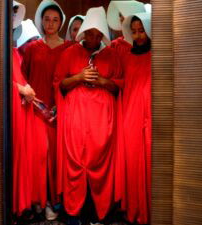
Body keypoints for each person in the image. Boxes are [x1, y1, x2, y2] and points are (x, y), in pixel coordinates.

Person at [54, 7, 123, 223]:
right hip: (76, 119)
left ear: (103, 34)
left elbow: (119, 87)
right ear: (83, 32)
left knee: (100, 162)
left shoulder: (112, 55)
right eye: (90, 33)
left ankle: (99, 212)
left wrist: (102, 81)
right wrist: (78, 77)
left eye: (98, 34)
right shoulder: (69, 54)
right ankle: (74, 213)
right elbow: (59, 84)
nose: (93, 38)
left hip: (102, 121)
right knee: (75, 162)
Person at [21, 0, 73, 220]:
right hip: (35, 110)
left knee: (56, 158)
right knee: (39, 156)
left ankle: (53, 201)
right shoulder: (32, 48)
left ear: (60, 23)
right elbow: (22, 77)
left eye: (55, 20)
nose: (50, 23)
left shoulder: (69, 48)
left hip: (61, 111)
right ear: (41, 21)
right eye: (47, 19)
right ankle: (38, 201)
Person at [120, 12, 152, 224]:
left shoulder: (158, 54)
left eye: (141, 31)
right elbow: (124, 83)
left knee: (150, 163)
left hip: (151, 114)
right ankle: (134, 211)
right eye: (134, 31)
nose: (138, 36)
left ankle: (151, 211)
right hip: (131, 113)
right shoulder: (127, 55)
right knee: (132, 163)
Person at [11, 1, 36, 218]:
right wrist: (20, 88)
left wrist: (26, 89)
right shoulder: (1, 51)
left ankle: (20, 206)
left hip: (21, 111)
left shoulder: (15, 53)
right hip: (10, 114)